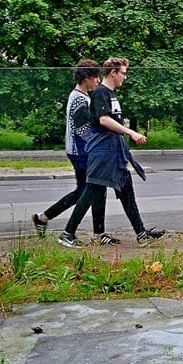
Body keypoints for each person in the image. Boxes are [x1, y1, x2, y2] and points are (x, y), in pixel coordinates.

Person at [59, 57, 164, 248]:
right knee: (91, 191)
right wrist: (131, 132)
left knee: (127, 191)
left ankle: (141, 233)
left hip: (115, 153)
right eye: (123, 73)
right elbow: (103, 120)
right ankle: (68, 233)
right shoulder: (100, 93)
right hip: (103, 153)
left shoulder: (111, 94)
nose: (125, 77)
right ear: (113, 73)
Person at [32, 60, 106, 243]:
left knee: (90, 190)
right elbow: (82, 130)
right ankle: (93, 233)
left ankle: (43, 218)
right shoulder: (81, 100)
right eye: (95, 77)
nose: (98, 81)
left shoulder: (79, 96)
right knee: (92, 189)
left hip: (79, 151)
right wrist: (100, 141)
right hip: (80, 152)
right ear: (87, 78)